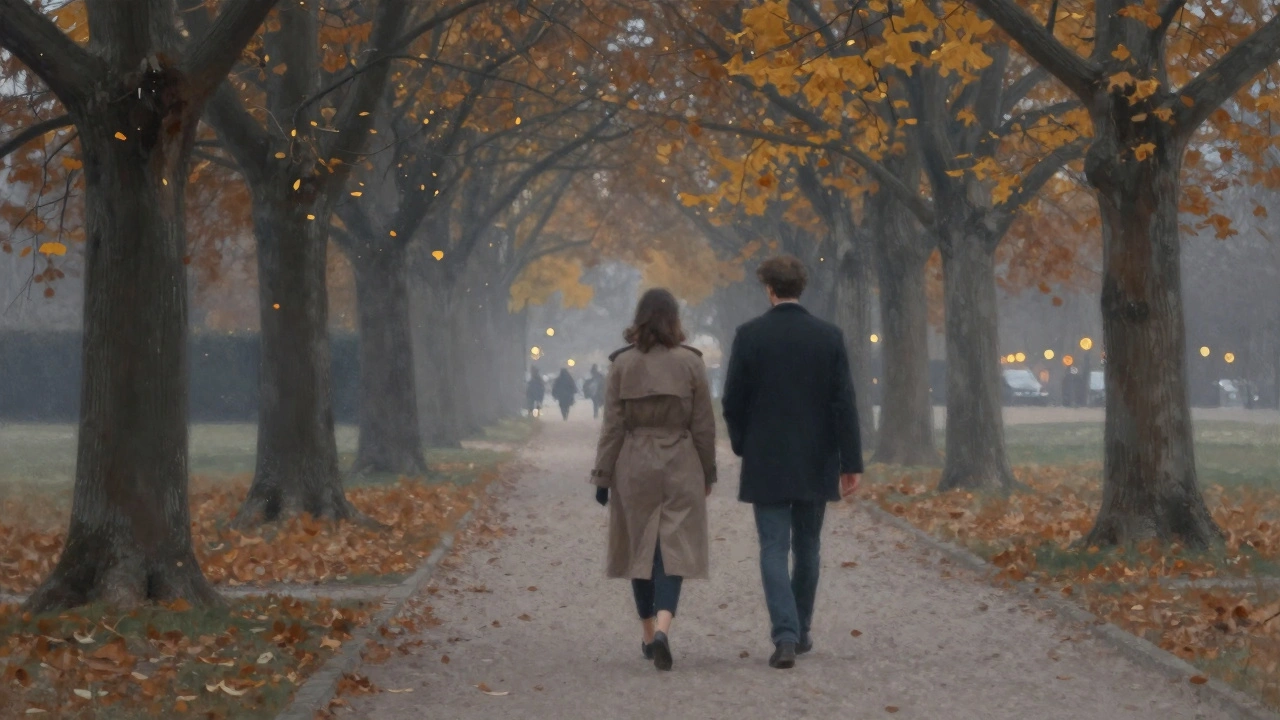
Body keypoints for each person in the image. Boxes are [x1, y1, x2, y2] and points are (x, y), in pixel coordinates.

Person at [722, 255, 862, 670]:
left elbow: (733, 400)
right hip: (815, 456)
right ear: (801, 288)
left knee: (772, 546)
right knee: (808, 546)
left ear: (769, 289)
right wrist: (849, 461)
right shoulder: (828, 336)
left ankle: (784, 634)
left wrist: (743, 442)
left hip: (767, 456)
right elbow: (844, 404)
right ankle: (800, 629)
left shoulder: (750, 335)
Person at [590, 288, 717, 672]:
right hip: (680, 461)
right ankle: (664, 627)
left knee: (639, 547)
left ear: (640, 318)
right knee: (672, 548)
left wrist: (602, 475)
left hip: (635, 462)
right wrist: (707, 472)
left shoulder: (622, 365)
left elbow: (612, 426)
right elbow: (704, 426)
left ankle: (647, 634)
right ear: (674, 319)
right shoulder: (692, 364)